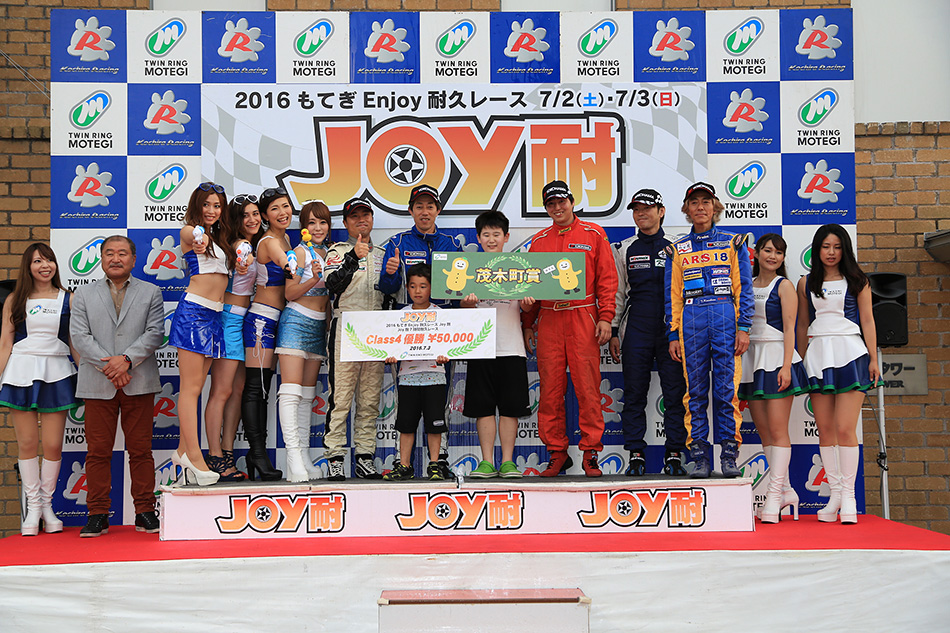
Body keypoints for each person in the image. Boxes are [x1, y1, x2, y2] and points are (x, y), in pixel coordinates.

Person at [521, 180, 618, 478]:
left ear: (572, 202)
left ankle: (591, 453)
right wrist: (528, 322)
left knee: (588, 388)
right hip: (549, 318)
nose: (557, 208)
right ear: (546, 208)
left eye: (561, 202)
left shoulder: (593, 234)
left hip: (583, 315)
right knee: (550, 391)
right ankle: (556, 453)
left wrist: (606, 317)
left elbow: (607, 279)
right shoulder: (539, 241)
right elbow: (532, 288)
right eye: (551, 204)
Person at [71, 236, 164, 537]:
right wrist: (112, 367)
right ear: (101, 259)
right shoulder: (83, 294)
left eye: (122, 253)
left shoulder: (151, 292)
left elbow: (155, 333)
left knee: (141, 451)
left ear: (133, 260)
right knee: (98, 452)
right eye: (109, 253)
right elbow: (79, 336)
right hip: (98, 382)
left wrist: (126, 360)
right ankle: (97, 514)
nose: (115, 258)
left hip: (139, 380)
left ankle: (145, 511)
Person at [665, 182, 753, 479]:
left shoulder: (733, 243)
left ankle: (729, 455)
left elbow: (744, 288)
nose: (700, 207)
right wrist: (673, 334)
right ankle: (700, 457)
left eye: (706, 201)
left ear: (715, 207)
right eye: (694, 202)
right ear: (686, 210)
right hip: (691, 321)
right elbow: (673, 296)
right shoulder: (677, 249)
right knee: (695, 392)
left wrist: (743, 327)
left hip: (725, 318)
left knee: (727, 391)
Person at [797, 224, 880, 525]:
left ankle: (849, 496)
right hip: (819, 355)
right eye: (825, 247)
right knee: (825, 429)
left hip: (851, 354)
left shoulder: (858, 281)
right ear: (817, 249)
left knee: (845, 428)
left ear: (845, 250)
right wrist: (800, 359)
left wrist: (873, 357)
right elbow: (802, 324)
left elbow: (868, 320)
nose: (831, 253)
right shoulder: (805, 282)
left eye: (837, 247)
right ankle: (834, 496)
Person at [379, 184, 461, 478]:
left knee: (440, 402)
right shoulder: (398, 242)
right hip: (407, 329)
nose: (424, 212)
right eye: (419, 207)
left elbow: (461, 290)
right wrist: (390, 273)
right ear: (411, 211)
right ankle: (403, 463)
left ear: (437, 210)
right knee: (406, 408)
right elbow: (386, 288)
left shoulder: (451, 243)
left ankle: (439, 460)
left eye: (430, 206)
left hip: (442, 328)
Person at [0, 244, 79, 536]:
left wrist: (85, 374)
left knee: (54, 445)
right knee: (27, 444)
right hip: (21, 371)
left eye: (49, 260)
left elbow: (74, 342)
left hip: (57, 372)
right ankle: (33, 508)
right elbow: (6, 342)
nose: (44, 266)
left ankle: (47, 505)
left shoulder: (69, 298)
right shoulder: (15, 299)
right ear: (28, 266)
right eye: (37, 261)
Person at [608, 189, 688, 477]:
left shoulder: (678, 246)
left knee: (675, 393)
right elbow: (618, 293)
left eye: (647, 208)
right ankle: (636, 454)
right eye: (636, 209)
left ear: (661, 211)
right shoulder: (623, 248)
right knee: (634, 393)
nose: (641, 213)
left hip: (671, 330)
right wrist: (614, 330)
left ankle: (674, 453)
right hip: (637, 328)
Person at [169, 182, 238, 486]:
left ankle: (182, 451)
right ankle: (196, 458)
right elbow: (191, 235)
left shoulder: (221, 240)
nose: (212, 210)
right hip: (194, 313)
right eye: (206, 204)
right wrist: (199, 238)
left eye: (217, 205)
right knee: (191, 388)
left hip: (215, 315)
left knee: (198, 387)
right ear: (197, 206)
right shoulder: (191, 232)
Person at [739, 233, 809, 523]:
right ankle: (787, 491)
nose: (773, 256)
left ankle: (774, 495)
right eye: (768, 250)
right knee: (765, 431)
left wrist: (786, 366)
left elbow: (791, 328)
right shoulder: (746, 283)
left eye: (779, 252)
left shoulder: (785, 286)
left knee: (779, 431)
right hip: (751, 359)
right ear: (756, 254)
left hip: (778, 357)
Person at [461, 211, 531, 479]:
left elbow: (529, 308)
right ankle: (487, 461)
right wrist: (466, 303)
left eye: (496, 234)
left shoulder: (520, 269)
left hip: (512, 347)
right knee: (484, 408)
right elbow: (462, 307)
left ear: (506, 237)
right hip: (480, 347)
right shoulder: (469, 269)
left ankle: (509, 461)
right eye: (486, 235)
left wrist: (528, 303)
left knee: (511, 408)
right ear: (478, 238)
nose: (491, 239)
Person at [323, 197, 387, 481]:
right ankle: (335, 457)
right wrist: (353, 257)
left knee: (370, 398)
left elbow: (392, 296)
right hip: (346, 326)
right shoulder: (337, 251)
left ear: (372, 219)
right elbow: (331, 285)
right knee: (340, 398)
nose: (361, 220)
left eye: (366, 215)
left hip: (376, 329)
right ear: (346, 222)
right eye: (355, 216)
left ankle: (364, 456)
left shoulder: (383, 253)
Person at [204, 195, 263, 482]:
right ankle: (215, 455)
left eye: (255, 214)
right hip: (228, 319)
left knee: (237, 390)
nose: (252, 220)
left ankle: (227, 452)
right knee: (222, 391)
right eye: (245, 216)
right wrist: (243, 259)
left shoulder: (249, 243)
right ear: (235, 221)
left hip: (243, 320)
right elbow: (243, 257)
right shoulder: (239, 245)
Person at [275, 201, 331, 482]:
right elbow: (289, 292)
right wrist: (314, 279)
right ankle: (293, 458)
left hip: (319, 326)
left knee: (308, 396)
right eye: (312, 222)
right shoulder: (297, 253)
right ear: (303, 227)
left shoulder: (330, 254)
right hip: (296, 322)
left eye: (323, 222)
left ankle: (304, 457)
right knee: (291, 392)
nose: (318, 228)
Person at [241, 186, 294, 481]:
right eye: (275, 208)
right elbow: (288, 265)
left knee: (262, 388)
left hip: (276, 321)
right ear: (264, 215)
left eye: (285, 206)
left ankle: (256, 454)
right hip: (261, 321)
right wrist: (294, 266)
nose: (282, 213)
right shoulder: (271, 241)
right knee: (256, 388)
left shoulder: (286, 238)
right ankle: (258, 454)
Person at [383, 264, 451, 481]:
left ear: (432, 288)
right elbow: (392, 343)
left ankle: (435, 464)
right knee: (406, 424)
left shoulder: (440, 314)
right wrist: (391, 355)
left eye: (423, 286)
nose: (418, 291)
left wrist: (446, 354)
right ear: (407, 288)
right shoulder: (401, 315)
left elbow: (450, 342)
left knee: (435, 425)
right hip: (407, 378)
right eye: (413, 286)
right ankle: (404, 466)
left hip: (435, 376)